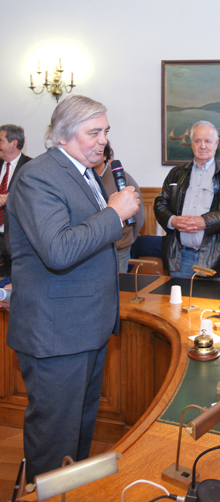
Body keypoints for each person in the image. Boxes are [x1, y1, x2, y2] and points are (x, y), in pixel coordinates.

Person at [6, 95, 140, 481]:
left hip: (86, 327)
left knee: (77, 438)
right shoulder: (39, 176)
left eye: (106, 132)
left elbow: (94, 239)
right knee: (54, 444)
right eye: (93, 132)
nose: (102, 141)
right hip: (56, 333)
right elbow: (59, 250)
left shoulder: (84, 173)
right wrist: (113, 212)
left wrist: (117, 216)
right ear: (63, 135)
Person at [154, 120, 220, 278]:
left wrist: (205, 221)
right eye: (197, 141)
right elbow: (160, 203)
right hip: (179, 257)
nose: (202, 146)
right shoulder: (176, 173)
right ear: (191, 143)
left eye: (208, 141)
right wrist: (173, 220)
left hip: (213, 259)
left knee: (212, 302)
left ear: (216, 144)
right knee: (177, 302)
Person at [94, 141, 145, 272]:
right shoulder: (84, 178)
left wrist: (126, 240)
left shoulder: (122, 178)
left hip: (119, 249)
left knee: (120, 288)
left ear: (106, 156)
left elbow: (139, 216)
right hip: (91, 250)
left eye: (98, 151)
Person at [0, 124, 32, 274]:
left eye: (0, 141)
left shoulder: (31, 167)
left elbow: (33, 200)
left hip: (15, 241)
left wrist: (10, 199)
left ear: (14, 143)